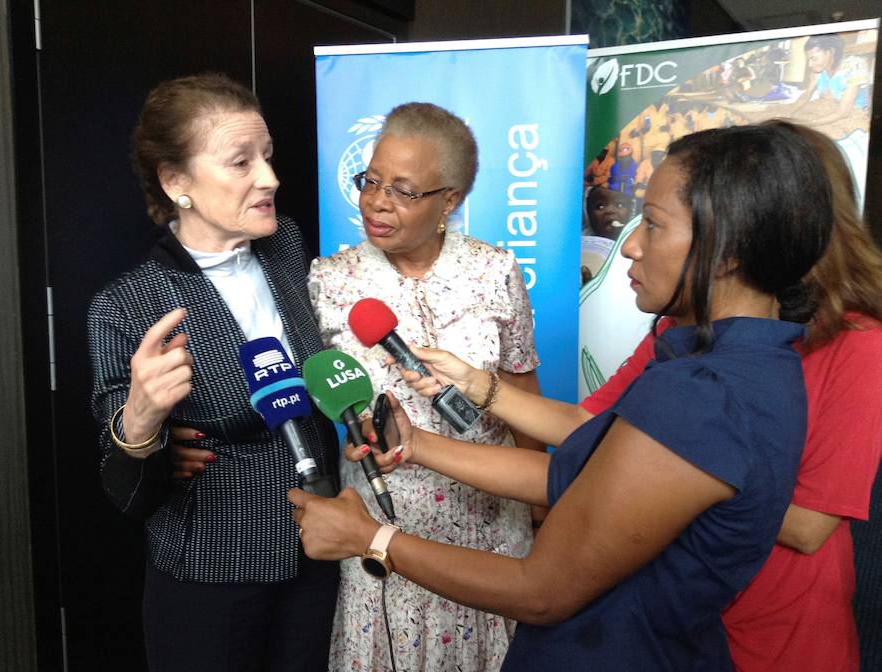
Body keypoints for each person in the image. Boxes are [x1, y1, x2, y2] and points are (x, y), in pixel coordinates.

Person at [289, 123, 833, 670]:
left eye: (654, 223)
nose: (632, 246)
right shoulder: (752, 362)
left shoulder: (704, 396)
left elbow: (539, 591)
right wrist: (419, 446)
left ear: (729, 250)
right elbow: (576, 477)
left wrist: (370, 538)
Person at [87, 73, 340, 672]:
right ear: (178, 183)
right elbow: (126, 492)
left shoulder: (286, 247)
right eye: (240, 161)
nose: (270, 178)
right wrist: (143, 421)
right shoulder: (127, 304)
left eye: (268, 157)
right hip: (211, 568)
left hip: (321, 547)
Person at [306, 102, 544, 672]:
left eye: (404, 190)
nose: (377, 201)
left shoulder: (494, 271)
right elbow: (320, 399)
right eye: (372, 181)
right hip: (384, 531)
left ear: (450, 201)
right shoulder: (328, 280)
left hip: (490, 531)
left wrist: (540, 513)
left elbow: (525, 401)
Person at [789, 34, 871, 127]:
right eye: (808, 60)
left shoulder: (855, 66)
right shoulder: (819, 70)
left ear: (831, 52)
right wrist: (789, 115)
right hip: (829, 109)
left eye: (814, 59)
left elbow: (843, 113)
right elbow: (806, 96)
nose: (810, 64)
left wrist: (808, 124)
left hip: (853, 114)